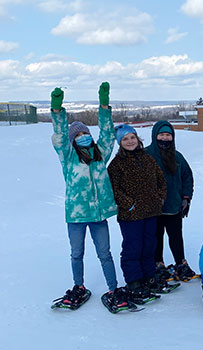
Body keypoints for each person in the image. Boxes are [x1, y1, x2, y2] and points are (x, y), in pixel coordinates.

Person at [50, 83, 127, 310]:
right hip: (76, 216)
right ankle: (79, 286)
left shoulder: (100, 154)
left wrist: (104, 106)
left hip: (99, 214)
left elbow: (107, 133)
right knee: (77, 254)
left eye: (85, 133)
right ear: (74, 140)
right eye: (79, 135)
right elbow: (61, 136)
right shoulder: (68, 156)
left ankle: (113, 288)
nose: (83, 136)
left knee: (105, 253)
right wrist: (57, 112)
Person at [107, 124, 169, 303]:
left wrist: (160, 197)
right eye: (125, 139)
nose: (130, 141)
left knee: (149, 244)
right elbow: (114, 189)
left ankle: (148, 276)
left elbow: (160, 180)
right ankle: (134, 281)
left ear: (137, 138)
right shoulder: (117, 164)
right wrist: (129, 204)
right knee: (133, 247)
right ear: (120, 142)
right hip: (131, 215)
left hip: (151, 211)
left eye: (132, 137)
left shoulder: (148, 158)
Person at [145, 121, 196, 282]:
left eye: (168, 135)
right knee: (156, 236)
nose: (165, 138)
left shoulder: (177, 156)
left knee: (176, 236)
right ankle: (157, 263)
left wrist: (186, 198)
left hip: (174, 206)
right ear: (155, 135)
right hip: (154, 208)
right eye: (162, 135)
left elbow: (188, 177)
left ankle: (180, 263)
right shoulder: (146, 155)